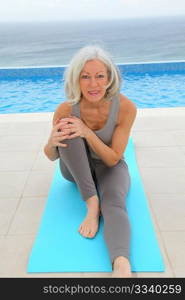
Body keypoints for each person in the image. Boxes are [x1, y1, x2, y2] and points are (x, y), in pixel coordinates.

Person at [44, 45, 137, 278]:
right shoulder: (65, 109)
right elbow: (51, 155)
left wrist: (88, 132)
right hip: (75, 170)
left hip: (109, 166)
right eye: (85, 77)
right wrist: (51, 141)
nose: (93, 84)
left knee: (114, 201)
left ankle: (121, 264)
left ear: (109, 78)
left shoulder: (125, 107)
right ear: (76, 79)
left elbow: (113, 158)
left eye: (99, 76)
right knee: (69, 128)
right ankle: (91, 203)